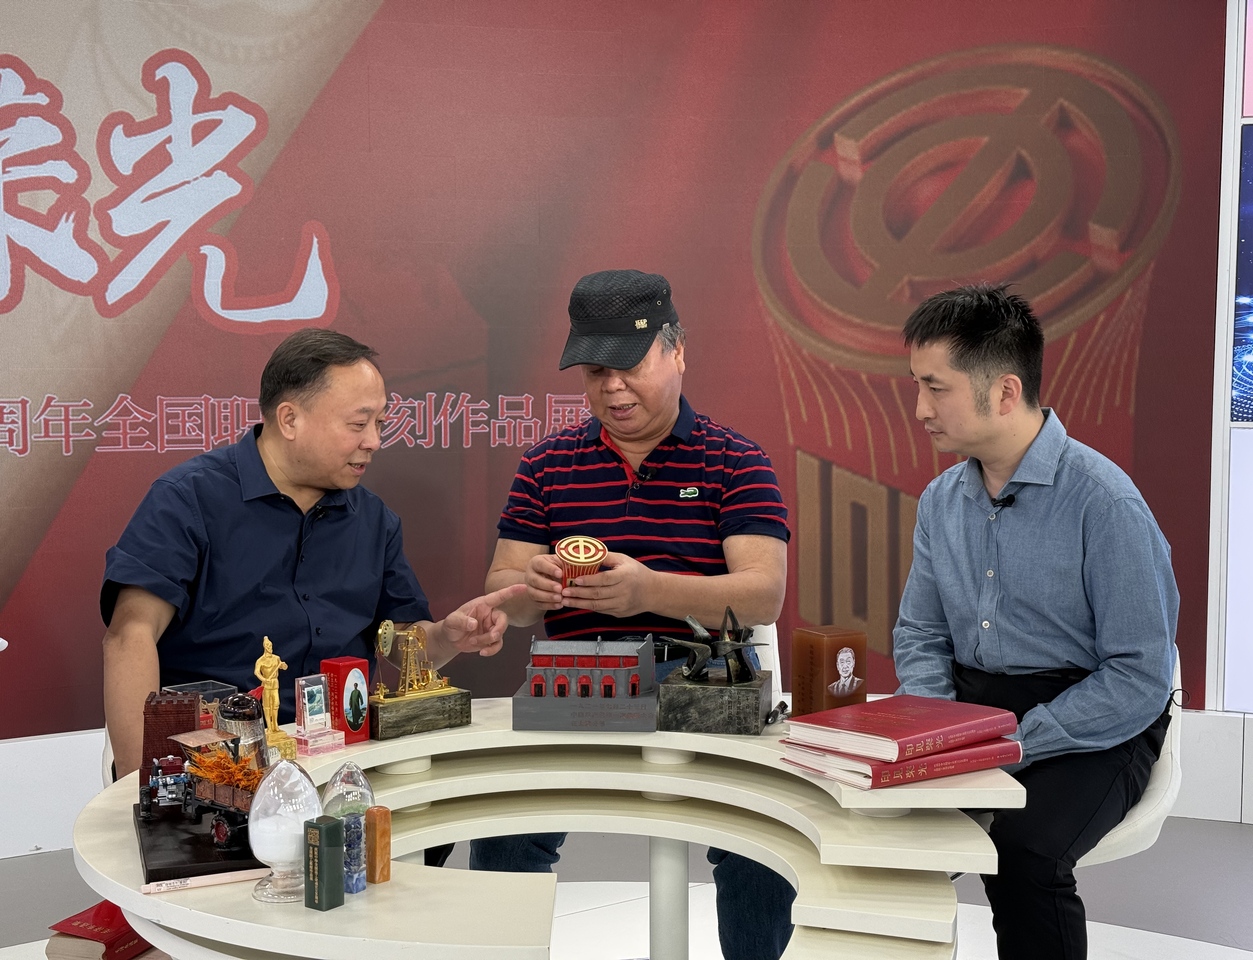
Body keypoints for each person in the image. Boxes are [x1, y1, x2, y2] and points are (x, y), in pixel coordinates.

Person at [484, 269, 794, 960]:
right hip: (577, 685)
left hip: (706, 682)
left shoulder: (736, 461)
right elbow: (505, 586)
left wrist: (650, 592)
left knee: (760, 838)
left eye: (630, 366)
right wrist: (534, 584)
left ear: (678, 351)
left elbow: (762, 594)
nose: (613, 389)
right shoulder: (548, 465)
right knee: (503, 823)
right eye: (596, 372)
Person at [892, 284, 1178, 960]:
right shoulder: (940, 501)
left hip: (1095, 721)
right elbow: (921, 635)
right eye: (917, 386)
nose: (920, 409)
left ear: (1004, 392)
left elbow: (1138, 676)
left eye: (935, 388)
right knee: (880, 841)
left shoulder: (1105, 504)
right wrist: (939, 729)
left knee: (1024, 852)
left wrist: (1015, 743)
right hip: (972, 710)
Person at [102, 328, 523, 778]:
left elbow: (400, 640)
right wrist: (142, 783)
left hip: (345, 756)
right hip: (217, 762)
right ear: (289, 420)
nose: (374, 441)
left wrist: (445, 638)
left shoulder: (374, 520)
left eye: (380, 424)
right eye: (358, 424)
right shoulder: (188, 499)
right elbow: (130, 636)